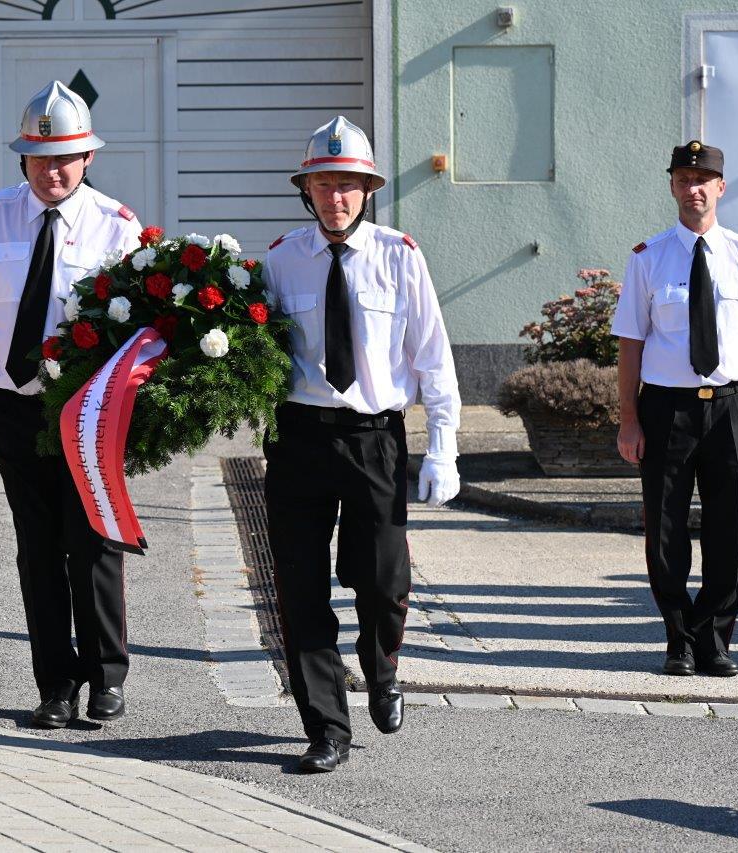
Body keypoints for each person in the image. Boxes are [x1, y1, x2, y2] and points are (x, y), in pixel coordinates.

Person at [0, 81, 143, 726]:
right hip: (15, 409)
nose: (52, 171)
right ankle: (55, 686)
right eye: (39, 159)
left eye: (65, 157)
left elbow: (142, 335)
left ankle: (105, 678)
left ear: (88, 156)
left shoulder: (116, 228)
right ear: (23, 158)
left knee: (92, 541)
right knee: (37, 548)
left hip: (87, 411)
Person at [262, 116, 461, 773]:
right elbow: (257, 353)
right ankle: (326, 727)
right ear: (307, 190)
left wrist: (444, 446)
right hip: (298, 437)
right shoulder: (280, 259)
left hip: (374, 437)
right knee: (299, 587)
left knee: (382, 579)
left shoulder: (399, 255)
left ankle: (382, 669)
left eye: (348, 184)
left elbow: (432, 355)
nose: (336, 197)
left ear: (368, 190)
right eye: (323, 184)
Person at [612, 140, 738, 679]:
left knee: (729, 528)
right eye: (684, 180)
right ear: (672, 187)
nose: (694, 190)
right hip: (666, 410)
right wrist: (629, 420)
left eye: (703, 180)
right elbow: (630, 344)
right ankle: (678, 639)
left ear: (720, 188)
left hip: (730, 407)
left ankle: (713, 639)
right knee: (665, 530)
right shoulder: (648, 258)